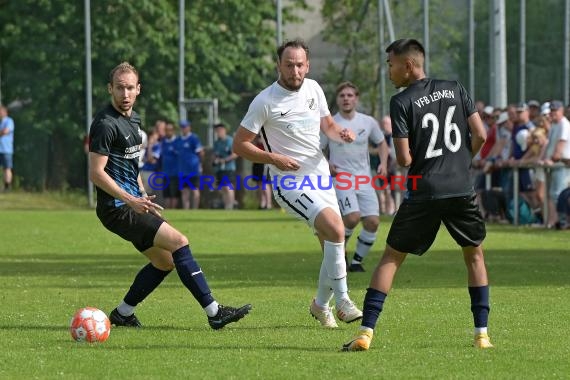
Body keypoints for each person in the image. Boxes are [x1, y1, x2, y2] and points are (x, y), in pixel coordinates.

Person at [342, 38, 493, 351]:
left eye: (391, 64)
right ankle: (482, 335)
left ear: (408, 66)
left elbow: (405, 159)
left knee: (391, 258)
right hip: (460, 188)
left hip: (423, 189)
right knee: (474, 255)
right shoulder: (456, 87)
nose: (389, 71)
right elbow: (480, 134)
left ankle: (366, 332)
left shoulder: (401, 101)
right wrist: (461, 162)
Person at [89, 62, 251, 330]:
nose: (125, 94)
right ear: (110, 89)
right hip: (116, 207)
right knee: (179, 242)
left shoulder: (134, 120)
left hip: (133, 204)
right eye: (119, 88)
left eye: (130, 88)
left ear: (138, 89)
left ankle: (123, 313)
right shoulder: (105, 124)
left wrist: (141, 194)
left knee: (164, 262)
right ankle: (214, 312)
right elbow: (96, 173)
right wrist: (131, 200)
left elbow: (131, 166)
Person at [232, 38, 363, 328]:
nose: (295, 70)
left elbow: (326, 125)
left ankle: (319, 305)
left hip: (320, 177)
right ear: (278, 65)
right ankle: (343, 301)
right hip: (288, 182)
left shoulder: (314, 89)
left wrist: (340, 132)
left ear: (308, 65)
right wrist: (273, 158)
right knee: (336, 229)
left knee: (332, 244)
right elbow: (239, 145)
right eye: (289, 65)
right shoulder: (265, 101)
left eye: (300, 65)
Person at [321, 81, 389, 272]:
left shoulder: (367, 122)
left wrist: (383, 164)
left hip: (364, 179)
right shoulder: (331, 124)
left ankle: (357, 261)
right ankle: (339, 250)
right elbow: (318, 149)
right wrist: (327, 164)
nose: (346, 99)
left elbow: (382, 143)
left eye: (350, 95)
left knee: (373, 222)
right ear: (337, 100)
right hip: (341, 178)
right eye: (342, 96)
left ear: (356, 99)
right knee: (352, 217)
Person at [178, 120, 204, 209]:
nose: (183, 129)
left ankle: (195, 209)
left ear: (189, 127)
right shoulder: (179, 139)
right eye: (182, 127)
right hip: (183, 169)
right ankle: (186, 209)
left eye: (185, 127)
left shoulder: (194, 138)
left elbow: (200, 152)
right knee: (184, 190)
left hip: (193, 169)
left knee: (194, 189)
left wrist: (200, 164)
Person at [213, 123, 238, 210]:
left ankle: (230, 206)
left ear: (224, 130)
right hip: (219, 169)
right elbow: (215, 154)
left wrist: (225, 160)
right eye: (217, 131)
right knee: (222, 188)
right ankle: (226, 206)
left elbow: (235, 154)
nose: (218, 132)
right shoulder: (217, 143)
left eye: (219, 130)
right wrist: (216, 160)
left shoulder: (230, 141)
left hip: (229, 168)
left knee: (228, 187)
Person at [160, 122, 181, 209]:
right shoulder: (163, 142)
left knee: (174, 195)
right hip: (165, 173)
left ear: (173, 131)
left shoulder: (178, 142)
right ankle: (169, 212)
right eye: (166, 130)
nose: (168, 132)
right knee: (166, 194)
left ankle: (173, 210)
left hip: (175, 173)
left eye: (170, 130)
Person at [252, 134, 273, 209]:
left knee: (264, 182)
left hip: (264, 162)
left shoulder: (266, 134)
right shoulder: (255, 135)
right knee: (259, 183)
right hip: (256, 162)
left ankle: (268, 204)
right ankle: (262, 203)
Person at [0, 105, 15, 191]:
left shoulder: (9, 121)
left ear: (5, 112)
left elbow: (6, 131)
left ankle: (7, 187)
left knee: (7, 168)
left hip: (6, 149)